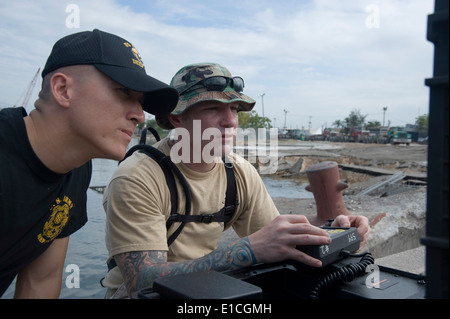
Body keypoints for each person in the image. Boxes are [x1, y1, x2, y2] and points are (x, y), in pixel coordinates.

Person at [102, 62, 370, 298]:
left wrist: (334, 228)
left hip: (207, 288)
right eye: (212, 108)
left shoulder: (238, 172)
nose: (230, 121)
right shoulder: (138, 178)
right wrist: (244, 252)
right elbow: (142, 282)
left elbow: (274, 235)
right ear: (176, 118)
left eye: (235, 109)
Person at [0, 29, 178, 298]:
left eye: (141, 102)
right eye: (124, 93)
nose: (140, 116)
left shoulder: (76, 167)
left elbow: (41, 280)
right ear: (63, 89)